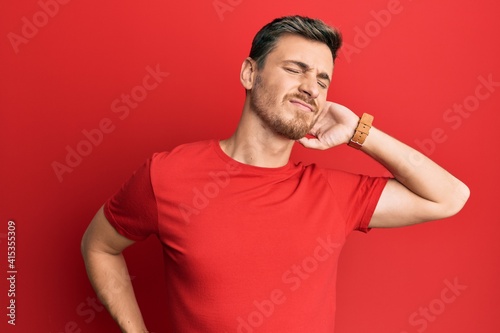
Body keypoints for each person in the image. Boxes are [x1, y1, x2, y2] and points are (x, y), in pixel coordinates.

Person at [81, 15, 470, 333]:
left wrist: (358, 132)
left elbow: (449, 196)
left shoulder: (331, 193)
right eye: (296, 69)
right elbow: (99, 246)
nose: (311, 88)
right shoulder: (168, 175)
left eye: (322, 80)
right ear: (250, 74)